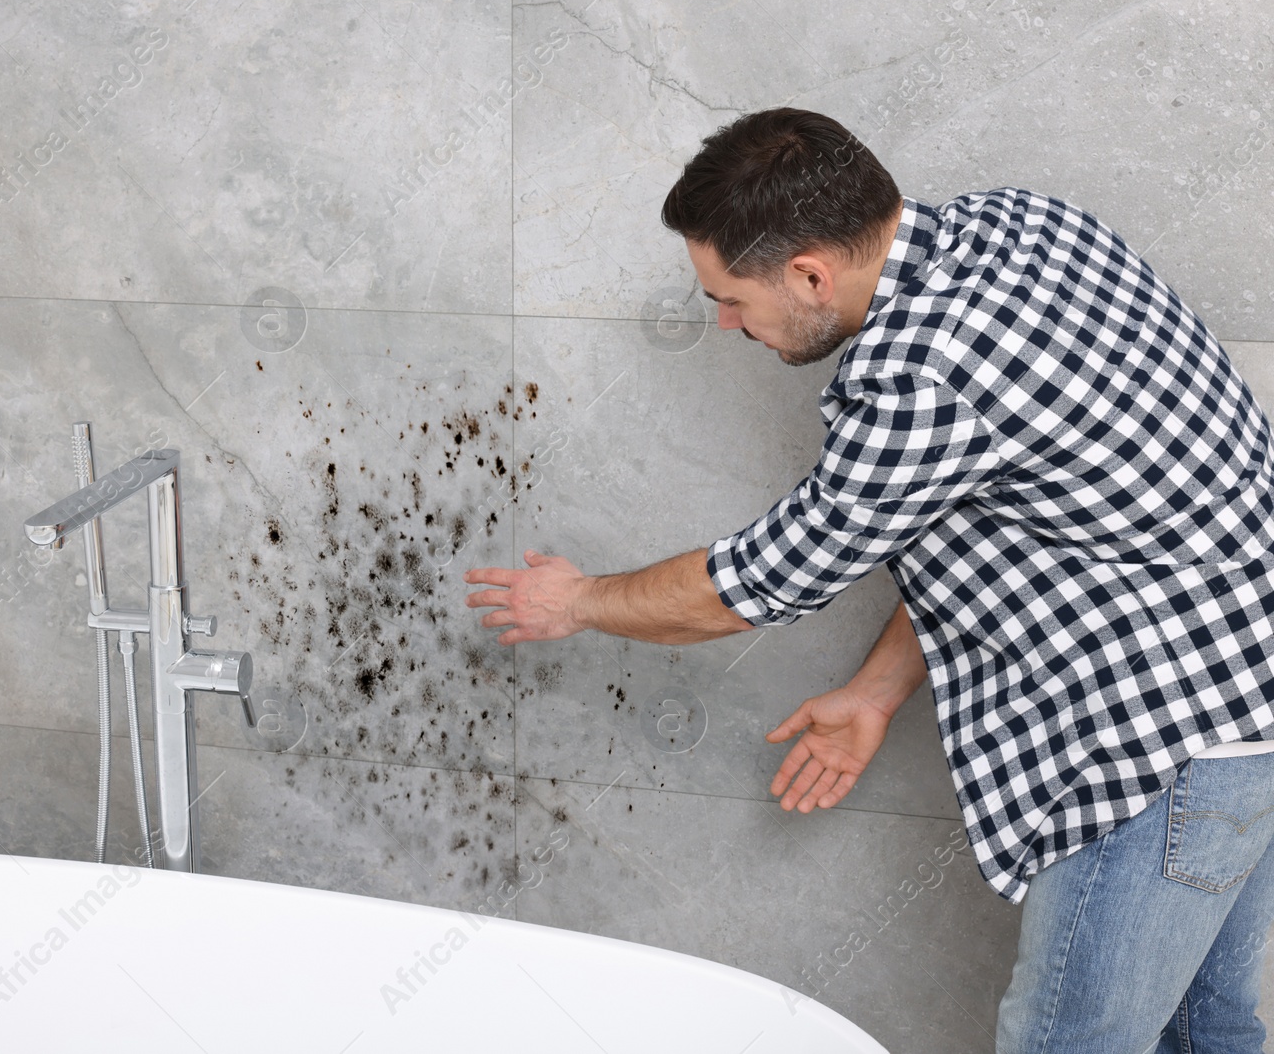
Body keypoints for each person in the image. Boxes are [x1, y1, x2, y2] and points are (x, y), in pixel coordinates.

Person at [462, 106, 1274, 1051]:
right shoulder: (1023, 224)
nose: (726, 323)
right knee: (1206, 1030)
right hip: (1246, 700)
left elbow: (758, 583)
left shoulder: (914, 375)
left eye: (731, 297)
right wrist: (877, 690)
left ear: (810, 271)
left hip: (1162, 754)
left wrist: (580, 600)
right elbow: (1006, 522)